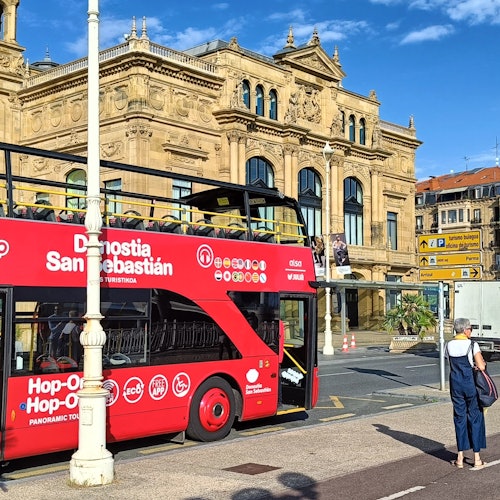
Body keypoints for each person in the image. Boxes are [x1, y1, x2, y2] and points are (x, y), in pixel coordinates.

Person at [445, 317, 487, 469]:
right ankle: (476, 458)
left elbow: (449, 361)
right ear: (465, 330)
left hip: (455, 385)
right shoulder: (472, 344)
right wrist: (477, 365)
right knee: (475, 417)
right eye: (470, 328)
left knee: (459, 418)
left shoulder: (448, 345)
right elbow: (481, 366)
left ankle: (460, 457)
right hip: (470, 385)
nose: (471, 331)